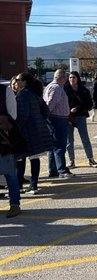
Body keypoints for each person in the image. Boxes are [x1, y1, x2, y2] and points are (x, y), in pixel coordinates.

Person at [15, 73, 52, 195]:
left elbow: (23, 115)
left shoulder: (23, 95)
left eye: (18, 80)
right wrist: (38, 120)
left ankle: (19, 185)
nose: (16, 82)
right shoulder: (35, 94)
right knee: (34, 157)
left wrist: (16, 127)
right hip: (38, 130)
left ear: (24, 82)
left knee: (20, 157)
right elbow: (46, 111)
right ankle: (33, 184)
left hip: (26, 131)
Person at [64, 71, 97, 168]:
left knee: (85, 138)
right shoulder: (65, 89)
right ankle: (71, 161)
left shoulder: (84, 90)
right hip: (69, 116)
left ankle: (91, 159)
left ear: (77, 78)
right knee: (69, 140)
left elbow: (89, 104)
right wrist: (69, 110)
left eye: (74, 77)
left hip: (80, 116)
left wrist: (78, 108)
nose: (72, 79)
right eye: (70, 77)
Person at [44, 69, 73, 178]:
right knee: (60, 145)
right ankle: (61, 170)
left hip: (56, 118)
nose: (66, 79)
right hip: (58, 119)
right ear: (61, 77)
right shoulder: (56, 88)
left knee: (54, 146)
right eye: (65, 77)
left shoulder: (50, 86)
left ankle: (54, 170)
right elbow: (50, 104)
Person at [0, 80, 21, 217]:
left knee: (9, 173)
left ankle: (14, 204)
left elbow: (13, 115)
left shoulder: (5, 90)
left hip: (3, 139)